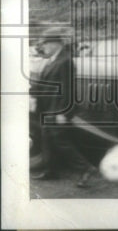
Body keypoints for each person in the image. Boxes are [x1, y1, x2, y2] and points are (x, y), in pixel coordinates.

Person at [30, 27, 96, 188]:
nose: (42, 46)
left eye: (45, 43)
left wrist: (64, 112)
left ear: (56, 43)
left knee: (61, 142)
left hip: (57, 109)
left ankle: (86, 168)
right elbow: (44, 83)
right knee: (47, 140)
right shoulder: (51, 59)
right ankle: (50, 170)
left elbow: (68, 90)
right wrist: (32, 94)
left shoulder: (66, 61)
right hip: (47, 108)